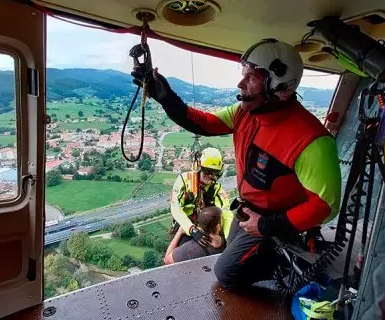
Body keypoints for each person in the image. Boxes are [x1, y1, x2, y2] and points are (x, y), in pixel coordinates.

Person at [132, 38, 341, 290]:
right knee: (230, 256)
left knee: (227, 273)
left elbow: (326, 206)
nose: (241, 83)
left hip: (278, 222)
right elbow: (206, 123)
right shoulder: (245, 112)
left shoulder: (311, 140)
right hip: (246, 211)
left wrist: (267, 226)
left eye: (251, 77)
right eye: (244, 74)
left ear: (280, 86)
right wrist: (165, 97)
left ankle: (291, 263)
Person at [169, 147, 232, 246]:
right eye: (207, 171)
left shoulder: (216, 188)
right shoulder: (184, 181)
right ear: (200, 167)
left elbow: (226, 213)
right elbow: (175, 207)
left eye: (214, 172)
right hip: (185, 227)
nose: (210, 175)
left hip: (205, 227)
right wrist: (191, 229)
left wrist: (229, 238)